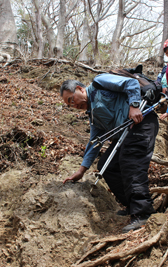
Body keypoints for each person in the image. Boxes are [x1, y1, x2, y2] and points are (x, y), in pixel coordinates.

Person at [60, 73, 159, 233]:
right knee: (107, 166)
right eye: (69, 105)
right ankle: (132, 205)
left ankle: (143, 213)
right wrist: (81, 171)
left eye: (72, 100)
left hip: (142, 121)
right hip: (126, 133)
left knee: (130, 162)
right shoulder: (93, 115)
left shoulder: (99, 83)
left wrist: (133, 105)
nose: (73, 105)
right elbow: (94, 142)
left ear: (79, 89)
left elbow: (131, 83)